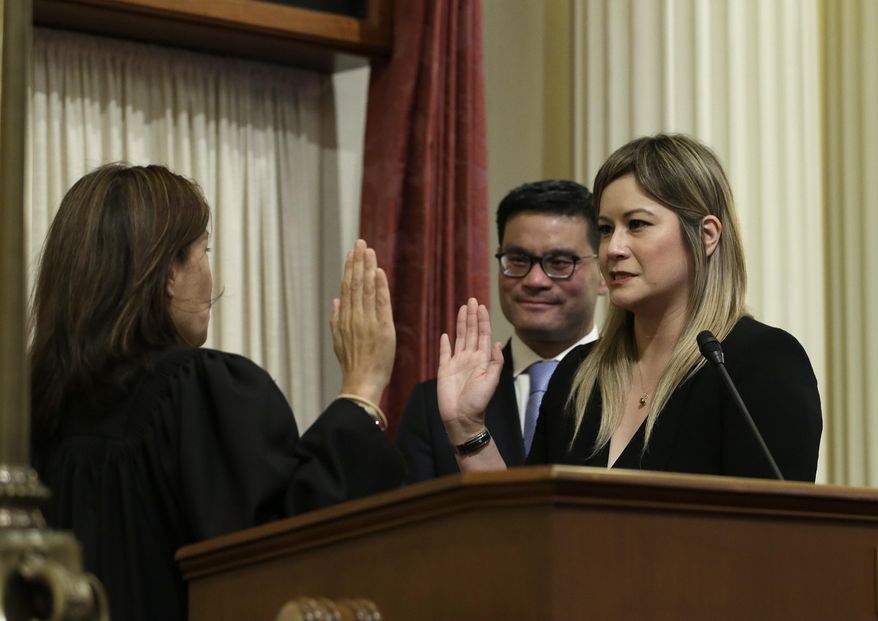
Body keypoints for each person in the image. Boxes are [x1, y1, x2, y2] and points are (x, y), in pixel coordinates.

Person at [29, 164, 406, 621]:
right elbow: (282, 561)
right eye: (202, 250)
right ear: (169, 272)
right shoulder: (195, 392)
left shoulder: (36, 403)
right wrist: (362, 391)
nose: (210, 273)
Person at [436, 134, 823, 482]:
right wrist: (468, 429)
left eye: (636, 224)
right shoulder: (578, 374)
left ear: (706, 236)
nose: (613, 248)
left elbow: (775, 539)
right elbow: (529, 535)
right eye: (605, 229)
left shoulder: (757, 363)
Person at [395, 180, 606, 481]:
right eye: (518, 260)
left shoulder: (638, 387)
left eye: (559, 262)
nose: (535, 280)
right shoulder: (435, 406)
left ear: (604, 275)